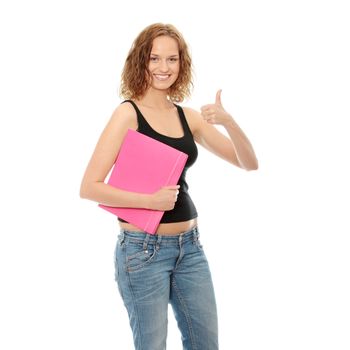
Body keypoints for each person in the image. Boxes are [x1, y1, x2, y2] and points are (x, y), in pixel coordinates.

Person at [80, 22, 258, 350]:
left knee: (206, 344)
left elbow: (248, 163)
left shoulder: (187, 117)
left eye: (172, 59)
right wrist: (150, 201)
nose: (164, 68)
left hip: (190, 249)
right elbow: (89, 187)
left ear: (181, 64)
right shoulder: (127, 113)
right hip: (142, 251)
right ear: (141, 62)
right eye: (155, 58)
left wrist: (229, 122)